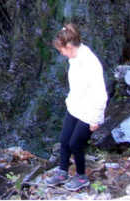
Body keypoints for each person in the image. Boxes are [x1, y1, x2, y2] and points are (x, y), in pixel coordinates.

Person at [46, 23, 108, 191]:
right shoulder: (74, 57)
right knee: (64, 140)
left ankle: (81, 177)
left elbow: (101, 93)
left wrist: (95, 118)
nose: (61, 53)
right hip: (75, 106)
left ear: (69, 46)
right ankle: (62, 171)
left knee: (75, 144)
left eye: (61, 50)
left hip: (90, 111)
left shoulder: (90, 62)